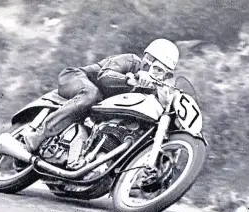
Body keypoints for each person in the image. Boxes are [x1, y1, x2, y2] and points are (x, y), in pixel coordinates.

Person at [22, 39, 180, 157]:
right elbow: (104, 76)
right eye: (158, 69)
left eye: (165, 73)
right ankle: (38, 136)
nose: (161, 76)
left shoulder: (151, 89)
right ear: (148, 61)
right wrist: (131, 80)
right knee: (92, 94)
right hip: (77, 78)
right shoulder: (130, 61)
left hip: (96, 110)